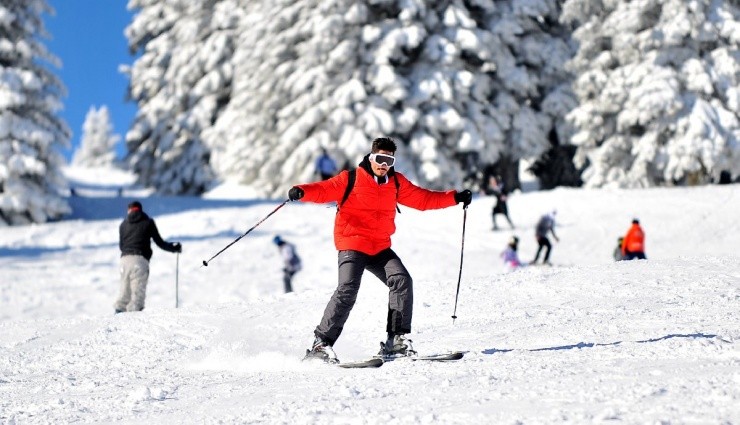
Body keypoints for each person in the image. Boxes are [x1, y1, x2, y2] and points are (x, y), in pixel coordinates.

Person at [288, 137, 472, 363]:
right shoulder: (351, 178)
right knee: (347, 289)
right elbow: (324, 190)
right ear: (371, 156)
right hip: (352, 243)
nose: (384, 164)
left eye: (389, 160)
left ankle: (395, 341)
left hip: (379, 247)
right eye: (380, 158)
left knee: (402, 280)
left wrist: (454, 197)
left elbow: (423, 199)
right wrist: (301, 191)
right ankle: (321, 344)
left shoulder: (395, 182)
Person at [114, 201, 181, 313]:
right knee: (137, 300)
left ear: (129, 210)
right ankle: (132, 327)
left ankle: (116, 323)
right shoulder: (148, 222)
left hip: (124, 261)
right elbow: (159, 242)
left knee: (123, 297)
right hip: (140, 261)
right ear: (140, 209)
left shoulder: (123, 224)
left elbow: (121, 246)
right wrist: (173, 248)